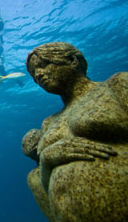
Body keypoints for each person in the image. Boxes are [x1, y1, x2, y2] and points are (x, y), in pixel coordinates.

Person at [23, 42, 128, 221]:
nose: (38, 74)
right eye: (34, 73)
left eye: (44, 65)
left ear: (72, 61)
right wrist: (48, 157)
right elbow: (45, 186)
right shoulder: (48, 123)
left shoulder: (117, 84)